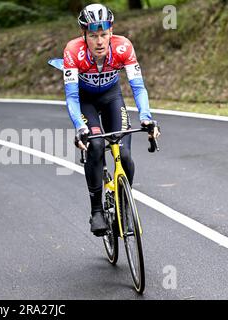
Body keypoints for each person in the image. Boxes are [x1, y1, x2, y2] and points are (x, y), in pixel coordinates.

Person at [63, 4, 160, 236]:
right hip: (85, 100)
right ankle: (96, 210)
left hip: (111, 98)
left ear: (111, 32)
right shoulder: (72, 51)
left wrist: (146, 117)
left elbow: (138, 87)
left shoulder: (123, 46)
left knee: (124, 153)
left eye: (104, 34)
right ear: (83, 35)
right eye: (93, 35)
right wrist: (80, 126)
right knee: (95, 143)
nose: (99, 41)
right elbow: (72, 96)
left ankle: (123, 207)